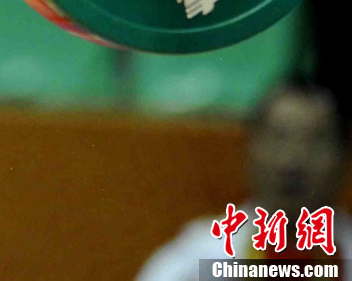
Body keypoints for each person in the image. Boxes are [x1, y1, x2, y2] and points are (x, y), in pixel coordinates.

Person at [136, 80, 352, 280]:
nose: (292, 162)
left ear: (344, 156)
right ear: (249, 149)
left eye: (315, 143)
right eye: (278, 138)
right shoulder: (201, 257)